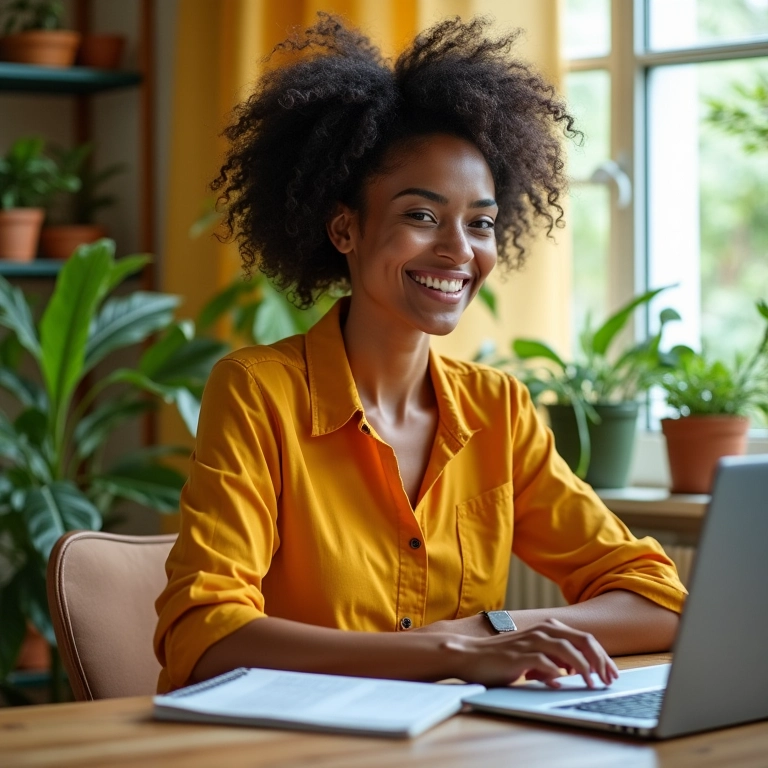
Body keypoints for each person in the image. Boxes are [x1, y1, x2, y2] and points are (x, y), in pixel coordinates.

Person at [154, 14, 686, 695]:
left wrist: (491, 632)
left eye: (481, 223)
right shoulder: (260, 392)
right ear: (345, 227)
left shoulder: (497, 409)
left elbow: (658, 596)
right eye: (421, 215)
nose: (460, 251)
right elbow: (205, 638)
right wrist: (446, 653)